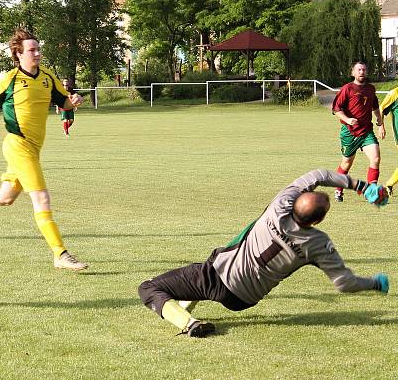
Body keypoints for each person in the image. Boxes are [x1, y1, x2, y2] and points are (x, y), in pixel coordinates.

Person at [138, 169, 390, 338]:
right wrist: (374, 283)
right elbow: (344, 283)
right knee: (199, 277)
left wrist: (360, 185)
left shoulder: (279, 207)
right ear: (319, 220)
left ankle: (189, 324)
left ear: (296, 201)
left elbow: (318, 174)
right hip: (244, 300)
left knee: (148, 288)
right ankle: (188, 310)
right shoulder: (318, 244)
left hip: (216, 276)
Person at [0, 29, 88, 271]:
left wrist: (73, 102)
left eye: (39, 49)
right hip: (17, 144)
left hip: (34, 149)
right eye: (32, 50)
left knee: (5, 197)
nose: (38, 53)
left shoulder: (48, 77)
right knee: (41, 197)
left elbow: (63, 102)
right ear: (18, 54)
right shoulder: (10, 79)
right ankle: (60, 253)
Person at [331, 60, 385, 202]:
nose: (362, 72)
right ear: (353, 72)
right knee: (347, 163)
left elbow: (375, 107)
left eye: (364, 70)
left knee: (376, 158)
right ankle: (338, 190)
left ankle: (372, 192)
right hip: (349, 132)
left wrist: (380, 124)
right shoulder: (347, 89)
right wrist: (348, 120)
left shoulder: (371, 89)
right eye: (359, 70)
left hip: (367, 131)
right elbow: (336, 109)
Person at [379, 86, 398, 195]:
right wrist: (381, 126)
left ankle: (389, 184)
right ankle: (389, 183)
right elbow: (381, 108)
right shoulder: (394, 93)